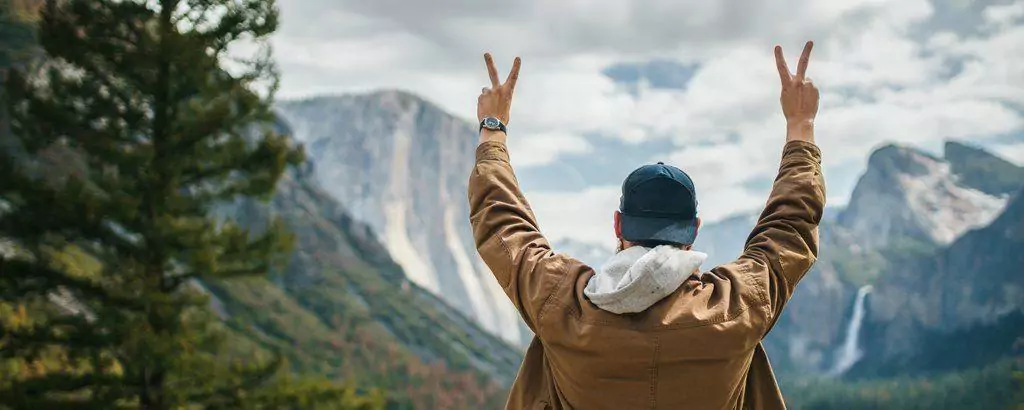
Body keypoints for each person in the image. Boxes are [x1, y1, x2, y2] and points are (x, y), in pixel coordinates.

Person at [469, 41, 825, 409]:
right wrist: (801, 125)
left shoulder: (561, 303)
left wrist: (493, 128)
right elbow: (790, 227)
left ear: (618, 224)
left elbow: (501, 224)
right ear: (694, 229)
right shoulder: (735, 307)